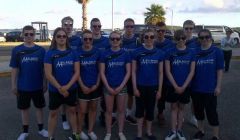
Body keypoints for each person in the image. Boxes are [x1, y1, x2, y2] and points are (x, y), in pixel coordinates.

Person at [10, 25, 48, 140]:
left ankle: (41, 129)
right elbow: (15, 68)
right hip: (23, 86)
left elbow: (44, 69)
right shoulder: (17, 50)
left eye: (31, 34)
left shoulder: (41, 51)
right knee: (24, 109)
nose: (29, 36)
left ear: (34, 34)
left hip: (37, 86)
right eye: (26, 34)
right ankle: (25, 131)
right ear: (23, 35)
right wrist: (13, 85)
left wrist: (45, 83)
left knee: (39, 108)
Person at [44, 27, 80, 140]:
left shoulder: (73, 53)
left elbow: (77, 72)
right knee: (53, 114)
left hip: (71, 88)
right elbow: (48, 74)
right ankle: (50, 137)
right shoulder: (50, 53)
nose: (61, 38)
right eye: (59, 36)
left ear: (67, 38)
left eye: (64, 36)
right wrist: (60, 88)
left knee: (72, 111)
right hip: (55, 90)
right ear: (54, 38)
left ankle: (75, 135)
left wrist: (67, 87)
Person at [191, 29, 224, 140]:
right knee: (199, 112)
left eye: (207, 37)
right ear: (199, 39)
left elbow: (219, 70)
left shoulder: (217, 51)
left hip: (210, 88)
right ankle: (201, 131)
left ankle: (215, 135)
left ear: (210, 37)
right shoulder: (195, 52)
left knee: (211, 113)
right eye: (201, 37)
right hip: (196, 88)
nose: (204, 39)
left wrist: (218, 86)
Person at [132, 29, 164, 140]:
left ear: (154, 38)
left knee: (150, 109)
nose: (149, 39)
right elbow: (133, 72)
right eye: (146, 37)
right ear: (143, 39)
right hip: (140, 86)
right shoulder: (136, 52)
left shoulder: (159, 53)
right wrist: (135, 87)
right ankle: (139, 134)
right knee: (140, 110)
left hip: (153, 86)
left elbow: (160, 72)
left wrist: (159, 90)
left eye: (151, 37)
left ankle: (149, 132)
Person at [164, 30, 195, 140]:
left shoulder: (191, 52)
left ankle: (180, 130)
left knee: (181, 108)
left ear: (186, 39)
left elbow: (192, 71)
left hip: (185, 86)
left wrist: (184, 86)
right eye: (178, 38)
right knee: (173, 108)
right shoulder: (169, 52)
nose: (181, 40)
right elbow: (167, 71)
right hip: (173, 85)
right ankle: (173, 131)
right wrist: (176, 86)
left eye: (183, 38)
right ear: (175, 39)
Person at [100, 31, 131, 140]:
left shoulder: (125, 54)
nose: (115, 41)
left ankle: (120, 132)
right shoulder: (104, 54)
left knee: (121, 111)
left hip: (121, 87)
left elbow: (128, 72)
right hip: (108, 87)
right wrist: (108, 87)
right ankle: (108, 133)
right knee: (108, 111)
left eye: (117, 39)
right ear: (109, 41)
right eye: (112, 39)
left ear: (120, 40)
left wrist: (121, 86)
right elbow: (102, 72)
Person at [89, 18, 116, 127]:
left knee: (106, 100)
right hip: (91, 74)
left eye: (99, 26)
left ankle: (104, 116)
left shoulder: (106, 41)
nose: (97, 28)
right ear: (91, 28)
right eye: (94, 26)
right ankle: (88, 120)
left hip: (105, 74)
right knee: (91, 99)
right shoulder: (88, 39)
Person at [76, 30, 101, 140]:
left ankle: (90, 131)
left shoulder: (97, 52)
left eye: (90, 39)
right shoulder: (77, 52)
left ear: (92, 40)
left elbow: (100, 71)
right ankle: (79, 131)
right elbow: (76, 72)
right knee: (82, 111)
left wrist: (96, 84)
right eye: (85, 39)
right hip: (83, 86)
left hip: (95, 86)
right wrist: (82, 86)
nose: (87, 41)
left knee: (93, 109)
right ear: (82, 39)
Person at [61, 16, 82, 130]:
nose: (68, 27)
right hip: (63, 72)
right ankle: (64, 119)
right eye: (66, 24)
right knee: (64, 99)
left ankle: (76, 119)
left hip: (76, 72)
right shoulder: (59, 38)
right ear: (62, 25)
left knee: (75, 99)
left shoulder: (78, 39)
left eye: (70, 25)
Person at [154, 21, 174, 125]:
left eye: (163, 30)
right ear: (155, 31)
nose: (160, 32)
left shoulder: (170, 44)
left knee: (161, 95)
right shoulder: (151, 41)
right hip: (152, 73)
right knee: (149, 95)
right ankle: (147, 114)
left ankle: (160, 113)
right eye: (158, 30)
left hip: (165, 74)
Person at [122, 18, 141, 125]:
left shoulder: (138, 41)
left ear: (134, 28)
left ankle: (128, 114)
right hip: (121, 72)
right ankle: (116, 115)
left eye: (131, 26)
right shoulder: (119, 40)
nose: (129, 28)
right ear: (124, 27)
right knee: (119, 94)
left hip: (134, 73)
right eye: (127, 26)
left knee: (130, 95)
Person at [183, 20, 200, 128]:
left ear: (193, 29)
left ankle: (193, 117)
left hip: (195, 75)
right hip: (182, 74)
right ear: (183, 28)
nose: (188, 30)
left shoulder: (198, 42)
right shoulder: (179, 40)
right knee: (182, 98)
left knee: (195, 98)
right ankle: (181, 116)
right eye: (186, 28)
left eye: (191, 28)